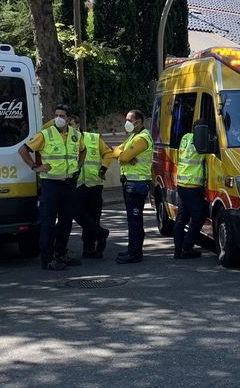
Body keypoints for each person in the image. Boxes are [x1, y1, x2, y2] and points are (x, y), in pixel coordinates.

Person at [19, 103, 85, 270]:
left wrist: (79, 165)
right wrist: (35, 167)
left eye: (62, 116)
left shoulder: (76, 135)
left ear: (69, 119)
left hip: (69, 183)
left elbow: (82, 150)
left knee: (66, 222)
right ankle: (47, 259)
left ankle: (61, 253)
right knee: (48, 223)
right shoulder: (45, 134)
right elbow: (23, 150)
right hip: (51, 185)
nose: (58, 119)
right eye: (56, 115)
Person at [113, 109, 153, 264]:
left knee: (134, 220)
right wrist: (125, 157)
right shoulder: (133, 137)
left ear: (139, 122)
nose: (127, 123)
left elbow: (121, 155)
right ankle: (133, 250)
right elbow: (115, 151)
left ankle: (135, 253)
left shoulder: (140, 139)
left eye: (131, 120)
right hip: (132, 183)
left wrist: (124, 157)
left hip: (137, 184)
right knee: (133, 219)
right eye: (127, 119)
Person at [74, 117, 115, 259]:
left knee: (93, 217)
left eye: (71, 124)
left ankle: (90, 249)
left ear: (78, 124)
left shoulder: (93, 138)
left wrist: (103, 169)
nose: (68, 127)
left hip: (94, 183)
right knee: (78, 214)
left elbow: (108, 153)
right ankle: (101, 233)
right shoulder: (65, 140)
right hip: (77, 185)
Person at [173, 122, 207, 260]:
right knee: (199, 217)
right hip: (193, 184)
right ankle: (186, 248)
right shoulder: (200, 141)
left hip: (182, 184)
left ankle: (178, 249)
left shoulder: (186, 137)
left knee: (181, 218)